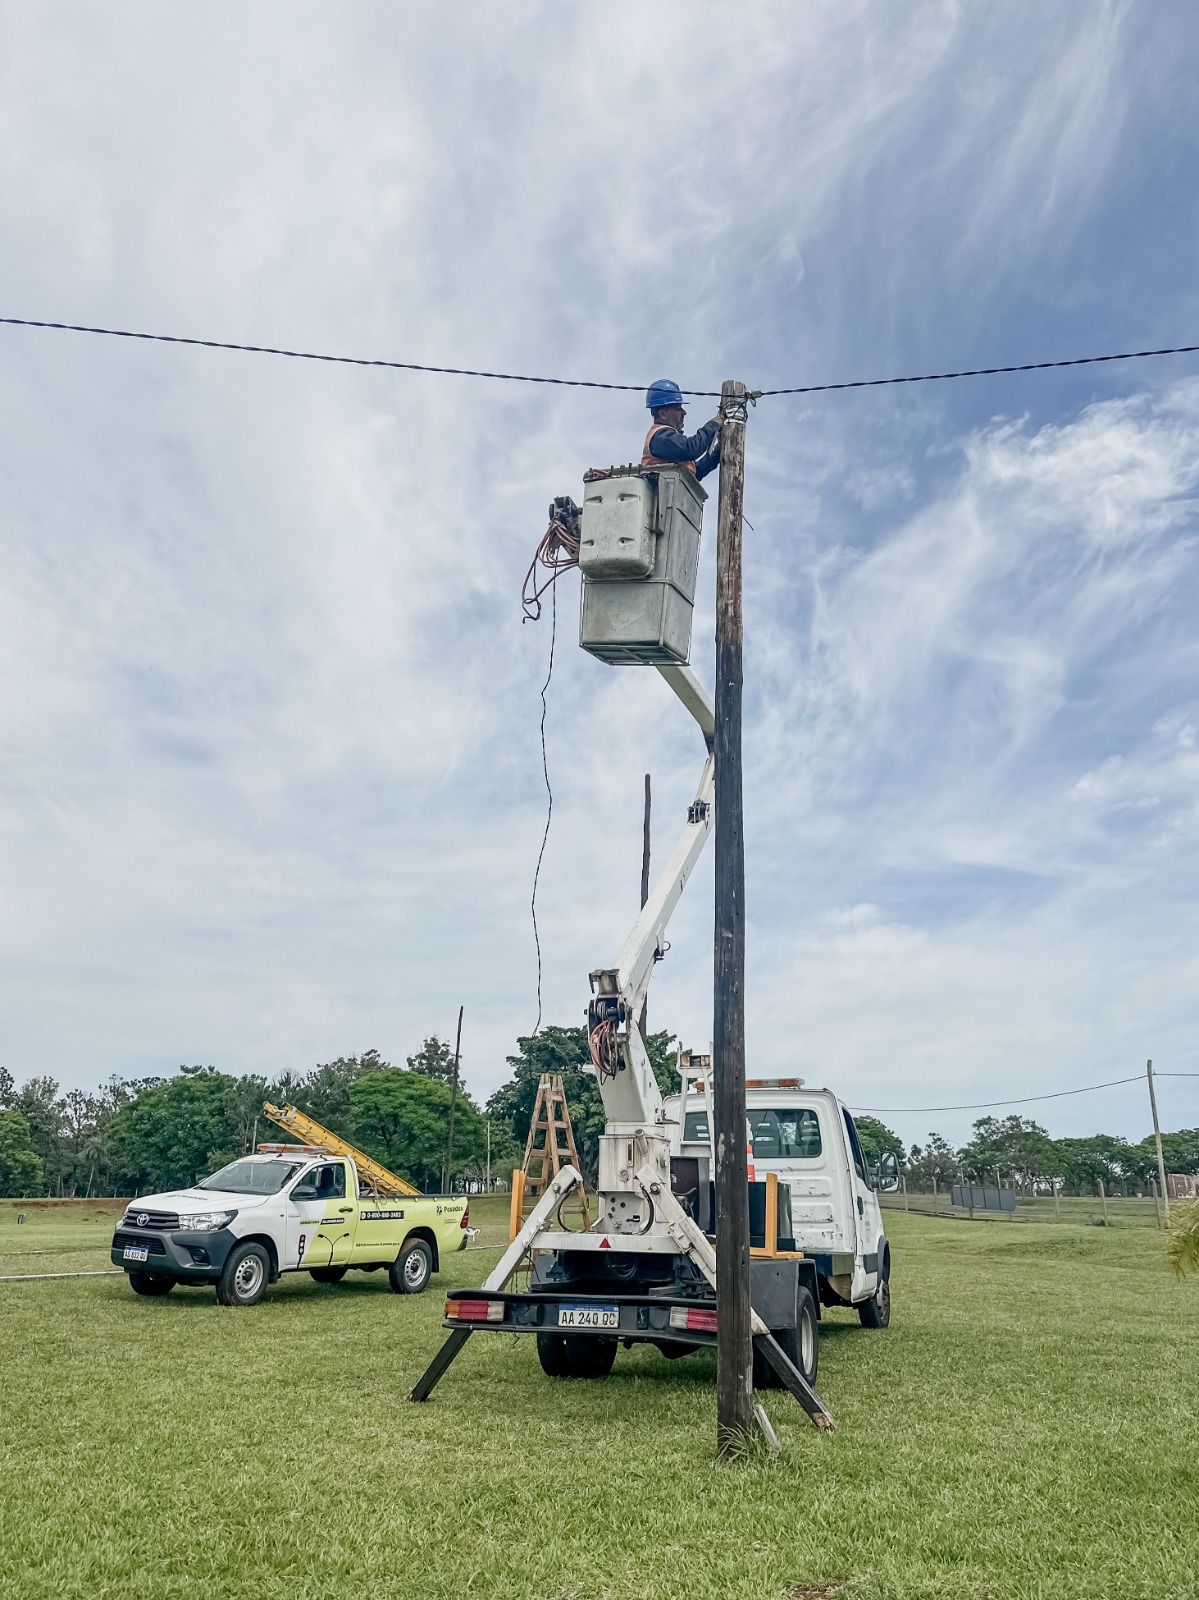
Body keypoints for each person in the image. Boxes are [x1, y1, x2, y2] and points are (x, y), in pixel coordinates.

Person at [642, 379, 722, 481]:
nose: (684, 412)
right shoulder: (660, 437)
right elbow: (690, 449)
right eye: (678, 408)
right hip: (660, 494)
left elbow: (696, 472)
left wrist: (718, 451)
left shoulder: (667, 441)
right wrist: (713, 425)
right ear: (663, 414)